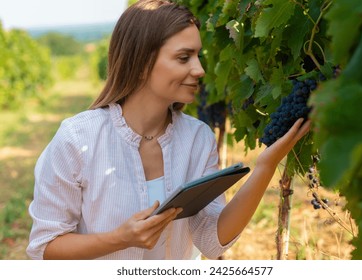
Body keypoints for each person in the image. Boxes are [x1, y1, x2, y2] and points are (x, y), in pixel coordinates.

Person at [26, 0, 311, 260]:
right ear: (141, 63)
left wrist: (265, 166)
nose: (199, 69)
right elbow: (44, 248)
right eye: (184, 57)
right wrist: (119, 239)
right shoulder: (77, 139)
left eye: (198, 56)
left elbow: (211, 241)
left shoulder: (198, 139)